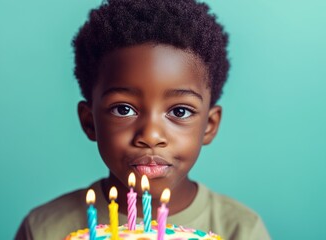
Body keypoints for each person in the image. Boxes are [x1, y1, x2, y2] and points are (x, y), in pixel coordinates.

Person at [15, 0, 271, 239]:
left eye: (179, 112)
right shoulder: (44, 229)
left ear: (209, 125)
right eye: (124, 109)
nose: (150, 135)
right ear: (89, 121)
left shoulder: (241, 229)